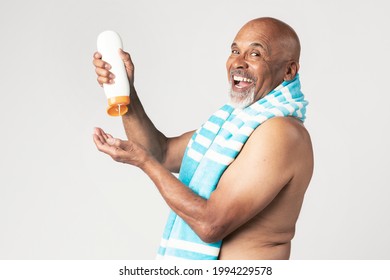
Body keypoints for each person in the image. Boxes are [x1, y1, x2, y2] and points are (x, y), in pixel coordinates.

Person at [92, 17, 313, 260]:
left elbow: (211, 224)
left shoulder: (280, 133)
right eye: (235, 51)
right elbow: (162, 153)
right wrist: (126, 92)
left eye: (255, 54)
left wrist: (144, 162)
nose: (238, 62)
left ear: (289, 70)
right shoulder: (234, 123)